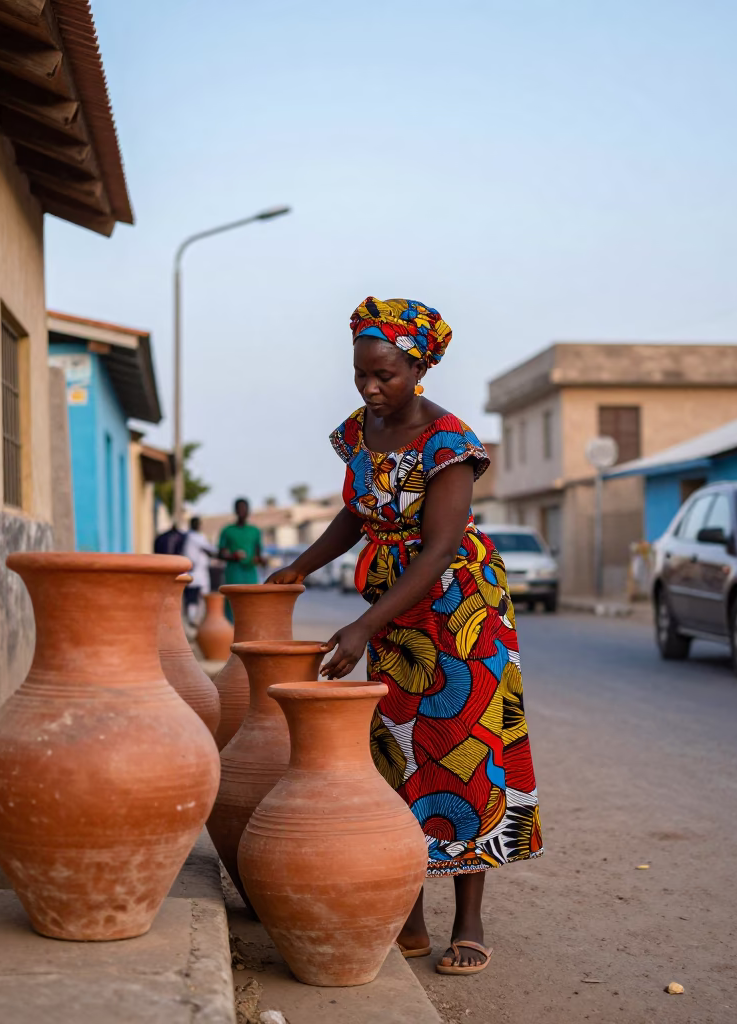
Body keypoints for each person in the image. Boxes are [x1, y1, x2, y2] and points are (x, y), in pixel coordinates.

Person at [267, 297, 542, 975]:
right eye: (361, 374)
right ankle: (408, 917)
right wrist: (299, 567)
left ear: (417, 367)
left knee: (464, 752)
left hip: (458, 608)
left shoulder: (448, 441)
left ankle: (469, 922)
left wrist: (364, 623)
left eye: (384, 375)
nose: (369, 387)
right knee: (394, 758)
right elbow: (357, 515)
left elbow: (439, 548)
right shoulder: (360, 431)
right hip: (393, 612)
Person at [218, 498, 265, 620]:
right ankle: (230, 633)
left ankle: (249, 633)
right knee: (233, 603)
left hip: (250, 573)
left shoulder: (255, 531)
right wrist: (233, 556)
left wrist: (259, 560)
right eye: (239, 508)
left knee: (251, 602)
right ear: (235, 511)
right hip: (233, 573)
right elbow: (220, 554)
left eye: (244, 508)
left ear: (248, 511)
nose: (242, 511)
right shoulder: (227, 530)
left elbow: (259, 554)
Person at [181, 516, 216, 622]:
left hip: (199, 572)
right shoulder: (194, 536)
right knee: (193, 598)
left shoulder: (189, 536)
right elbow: (210, 550)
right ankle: (193, 621)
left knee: (202, 597)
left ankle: (201, 621)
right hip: (195, 572)